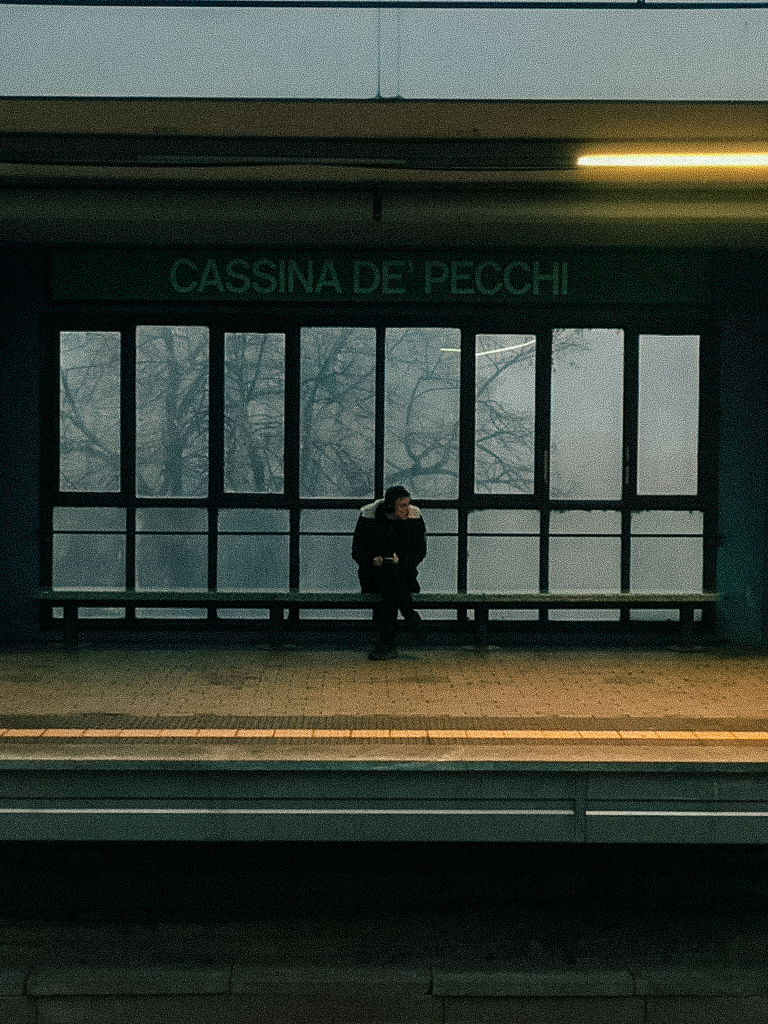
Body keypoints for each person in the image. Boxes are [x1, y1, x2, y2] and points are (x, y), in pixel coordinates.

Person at [352, 486, 427, 660]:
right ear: (390, 506)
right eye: (402, 505)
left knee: (390, 583)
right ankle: (410, 616)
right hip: (376, 576)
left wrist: (400, 561)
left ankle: (387, 642)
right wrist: (372, 560)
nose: (406, 509)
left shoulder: (412, 516)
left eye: (408, 504)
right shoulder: (369, 516)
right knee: (391, 580)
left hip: (400, 576)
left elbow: (419, 550)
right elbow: (358, 550)